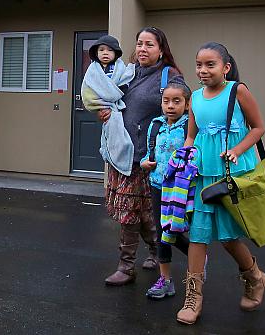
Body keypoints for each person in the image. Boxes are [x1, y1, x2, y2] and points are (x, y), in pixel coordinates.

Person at [176, 42, 265, 325]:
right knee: (198, 236)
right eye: (199, 65)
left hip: (232, 175)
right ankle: (193, 297)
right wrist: (186, 151)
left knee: (229, 238)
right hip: (204, 175)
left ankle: (254, 277)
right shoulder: (194, 97)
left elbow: (258, 128)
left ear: (226, 67)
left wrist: (238, 150)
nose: (203, 71)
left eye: (210, 65)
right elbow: (191, 135)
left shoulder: (237, 91)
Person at [96, 27, 183, 286]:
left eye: (150, 45)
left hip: (148, 158)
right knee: (140, 212)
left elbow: (181, 103)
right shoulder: (127, 72)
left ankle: (126, 267)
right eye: (139, 44)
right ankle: (156, 252)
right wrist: (103, 111)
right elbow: (111, 100)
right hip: (122, 153)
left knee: (133, 213)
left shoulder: (169, 76)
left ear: (161, 50)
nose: (143, 49)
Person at [139, 81, 192, 299]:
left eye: (176, 101)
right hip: (157, 185)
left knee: (175, 230)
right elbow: (148, 152)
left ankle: (196, 256)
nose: (170, 106)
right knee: (162, 232)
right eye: (166, 101)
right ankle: (165, 280)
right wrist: (144, 162)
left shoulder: (190, 126)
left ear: (187, 104)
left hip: (180, 188)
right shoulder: (156, 125)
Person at [81, 35, 136, 178]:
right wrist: (100, 104)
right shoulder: (93, 70)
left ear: (116, 53)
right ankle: (110, 153)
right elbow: (88, 89)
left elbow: (124, 83)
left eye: (110, 50)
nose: (105, 53)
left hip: (116, 106)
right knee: (109, 132)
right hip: (103, 105)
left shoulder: (119, 67)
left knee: (117, 134)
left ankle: (119, 153)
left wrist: (114, 95)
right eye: (101, 50)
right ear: (96, 53)